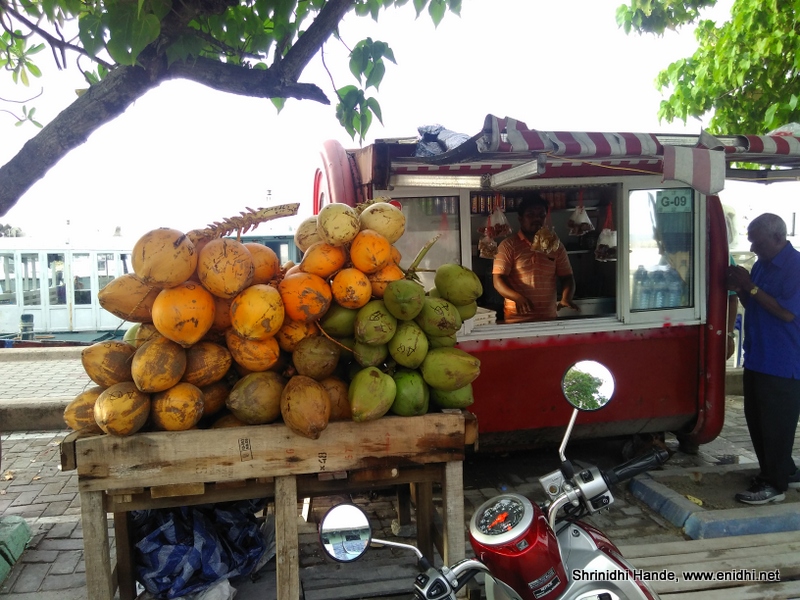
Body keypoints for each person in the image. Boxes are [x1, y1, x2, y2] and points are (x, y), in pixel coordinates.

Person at [726, 213, 800, 504]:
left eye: (756, 240)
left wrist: (752, 287)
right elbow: (753, 303)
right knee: (757, 421)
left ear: (778, 238)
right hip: (758, 356)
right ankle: (781, 470)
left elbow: (786, 312)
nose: (752, 246)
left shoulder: (795, 267)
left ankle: (773, 485)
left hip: (783, 361)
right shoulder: (761, 265)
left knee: (775, 424)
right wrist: (742, 288)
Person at [492, 193, 578, 322]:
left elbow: (567, 277)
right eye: (530, 215)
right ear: (520, 219)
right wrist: (518, 298)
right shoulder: (508, 245)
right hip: (516, 320)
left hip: (548, 319)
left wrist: (566, 298)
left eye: (541, 215)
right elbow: (498, 280)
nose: (536, 219)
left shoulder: (555, 245)